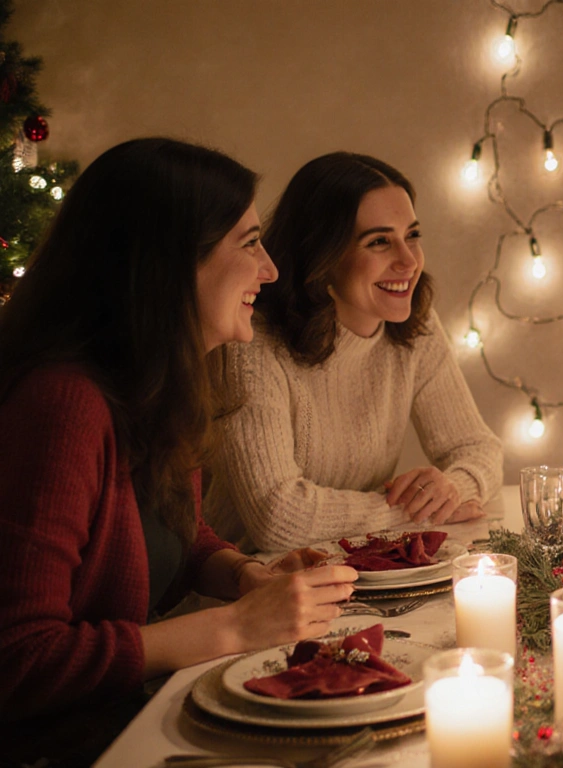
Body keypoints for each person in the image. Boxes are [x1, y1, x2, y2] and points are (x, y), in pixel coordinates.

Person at [0, 138, 358, 758]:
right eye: (248, 244)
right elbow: (18, 659)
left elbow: (175, 533)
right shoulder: (63, 406)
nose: (270, 270)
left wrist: (248, 575)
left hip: (126, 715)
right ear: (168, 265)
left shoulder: (161, 385)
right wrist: (235, 627)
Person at [204, 152, 503, 553]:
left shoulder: (416, 324)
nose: (409, 261)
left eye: (412, 235)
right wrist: (417, 515)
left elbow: (479, 448)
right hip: (250, 587)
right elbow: (278, 518)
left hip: (355, 573)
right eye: (379, 241)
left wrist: (451, 488)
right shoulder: (252, 342)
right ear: (323, 257)